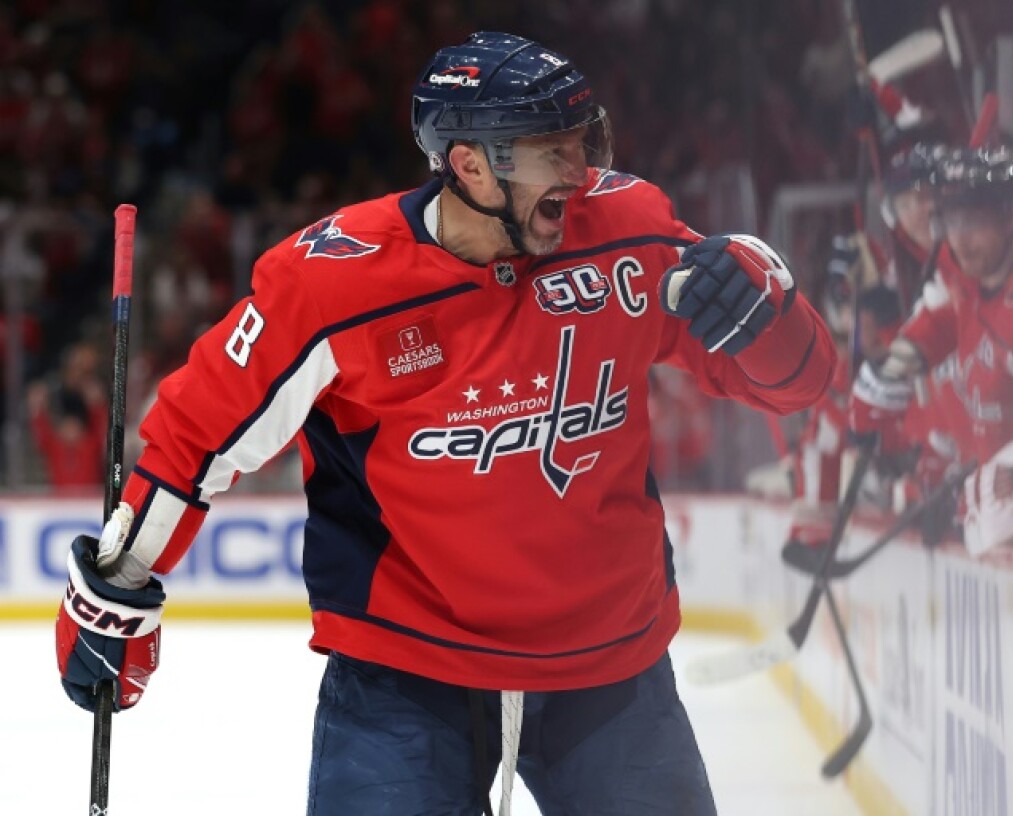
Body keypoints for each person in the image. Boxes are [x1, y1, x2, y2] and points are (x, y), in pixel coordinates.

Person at [54, 32, 836, 816]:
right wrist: (117, 585)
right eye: (550, 154)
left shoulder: (628, 228)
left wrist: (769, 313)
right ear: (469, 166)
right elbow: (197, 434)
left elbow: (798, 385)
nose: (578, 173)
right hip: (405, 678)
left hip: (610, 670)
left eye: (582, 143)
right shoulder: (334, 283)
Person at [848, 146, 1013, 553]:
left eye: (974, 221)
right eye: (951, 221)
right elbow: (939, 318)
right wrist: (891, 373)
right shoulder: (962, 273)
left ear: (1009, 217)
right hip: (993, 530)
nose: (960, 239)